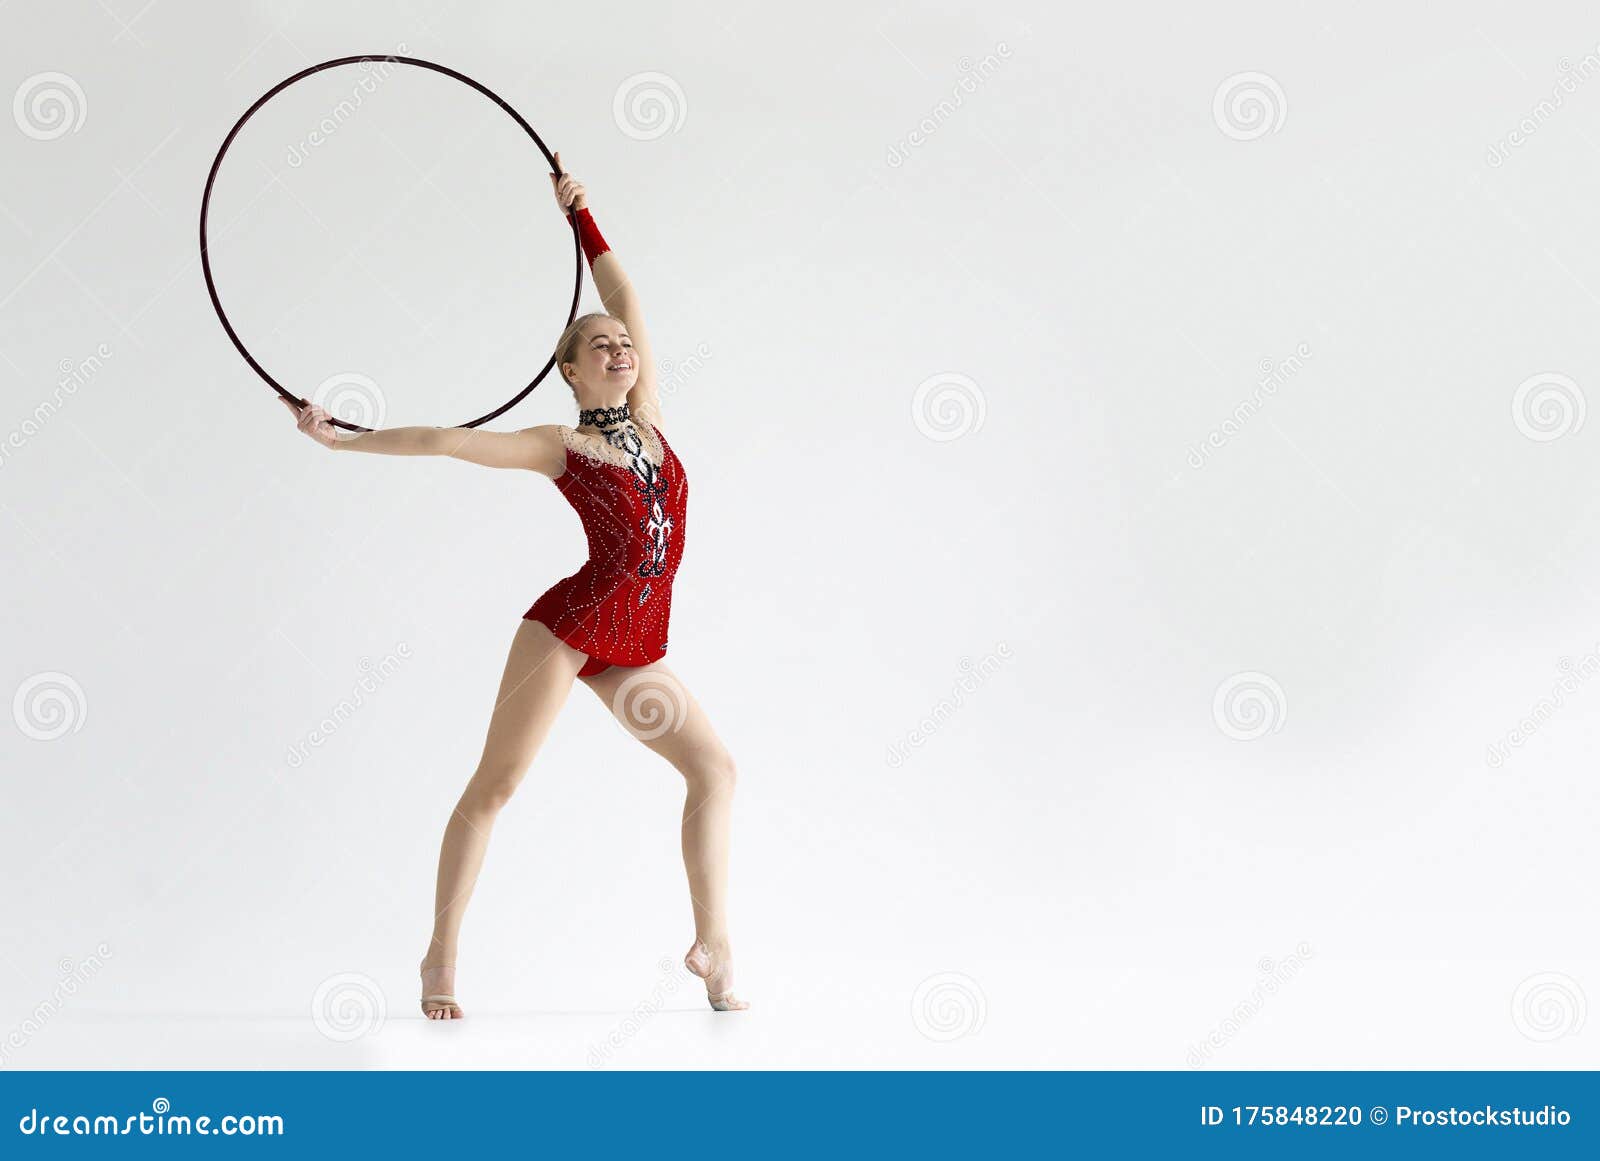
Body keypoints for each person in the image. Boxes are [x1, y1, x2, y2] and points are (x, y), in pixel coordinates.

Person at [281, 153, 746, 1018]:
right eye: (599, 343)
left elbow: (628, 294)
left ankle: (714, 944)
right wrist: (342, 438)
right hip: (569, 632)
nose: (620, 345)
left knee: (714, 768)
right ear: (569, 370)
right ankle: (439, 957)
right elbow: (447, 443)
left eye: (624, 342)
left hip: (633, 641)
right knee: (495, 787)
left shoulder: (652, 423)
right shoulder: (558, 447)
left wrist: (581, 215)